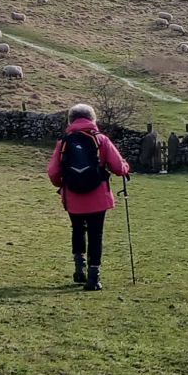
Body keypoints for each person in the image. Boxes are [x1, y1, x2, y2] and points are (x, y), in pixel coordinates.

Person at [46, 103, 131, 290]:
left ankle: (79, 269)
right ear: (93, 119)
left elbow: (53, 172)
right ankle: (94, 278)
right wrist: (125, 168)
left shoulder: (64, 141)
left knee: (77, 229)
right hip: (98, 196)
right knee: (96, 234)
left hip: (73, 196)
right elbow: (118, 167)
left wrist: (63, 184)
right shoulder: (101, 139)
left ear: (71, 120)